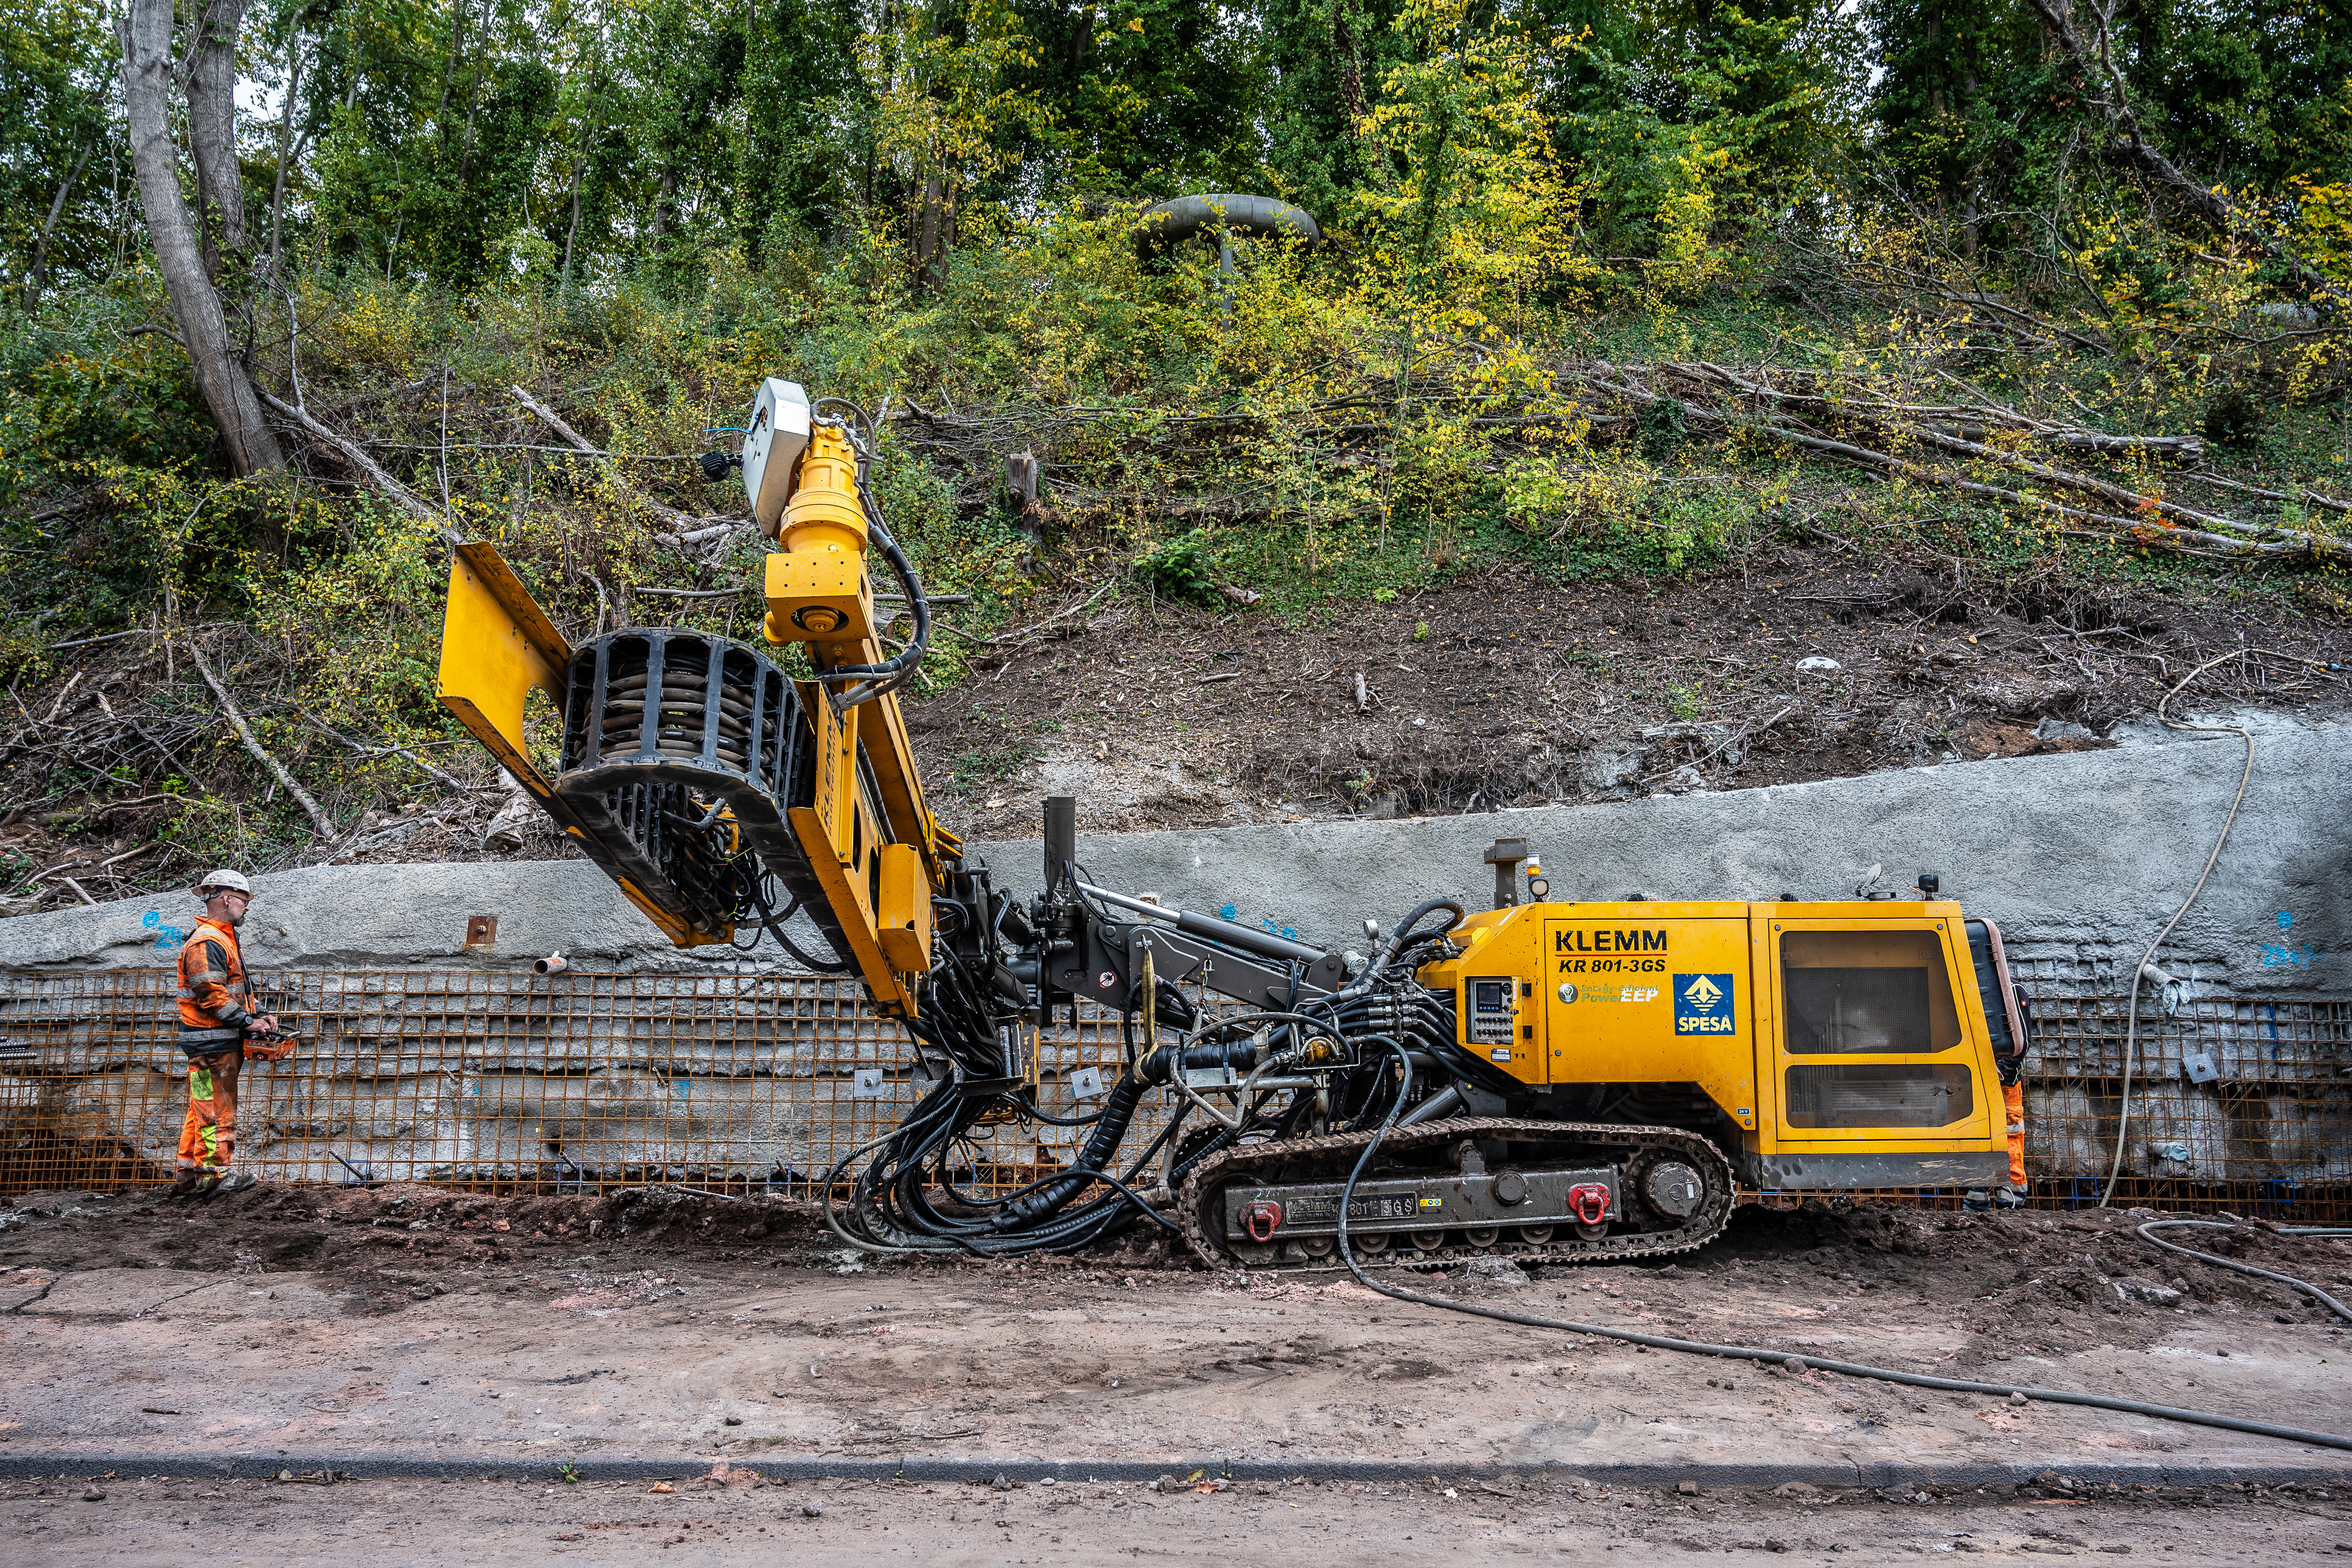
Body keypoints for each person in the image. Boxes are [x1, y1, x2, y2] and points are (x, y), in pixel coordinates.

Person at [172, 869, 291, 1196]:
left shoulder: (220, 938)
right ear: (226, 899)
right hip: (213, 1046)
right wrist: (246, 1022)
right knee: (217, 1110)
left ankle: (189, 1175)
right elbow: (210, 993)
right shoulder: (208, 941)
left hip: (208, 1045)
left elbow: (234, 989)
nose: (247, 907)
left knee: (202, 1107)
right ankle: (214, 1177)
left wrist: (259, 1014)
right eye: (243, 900)